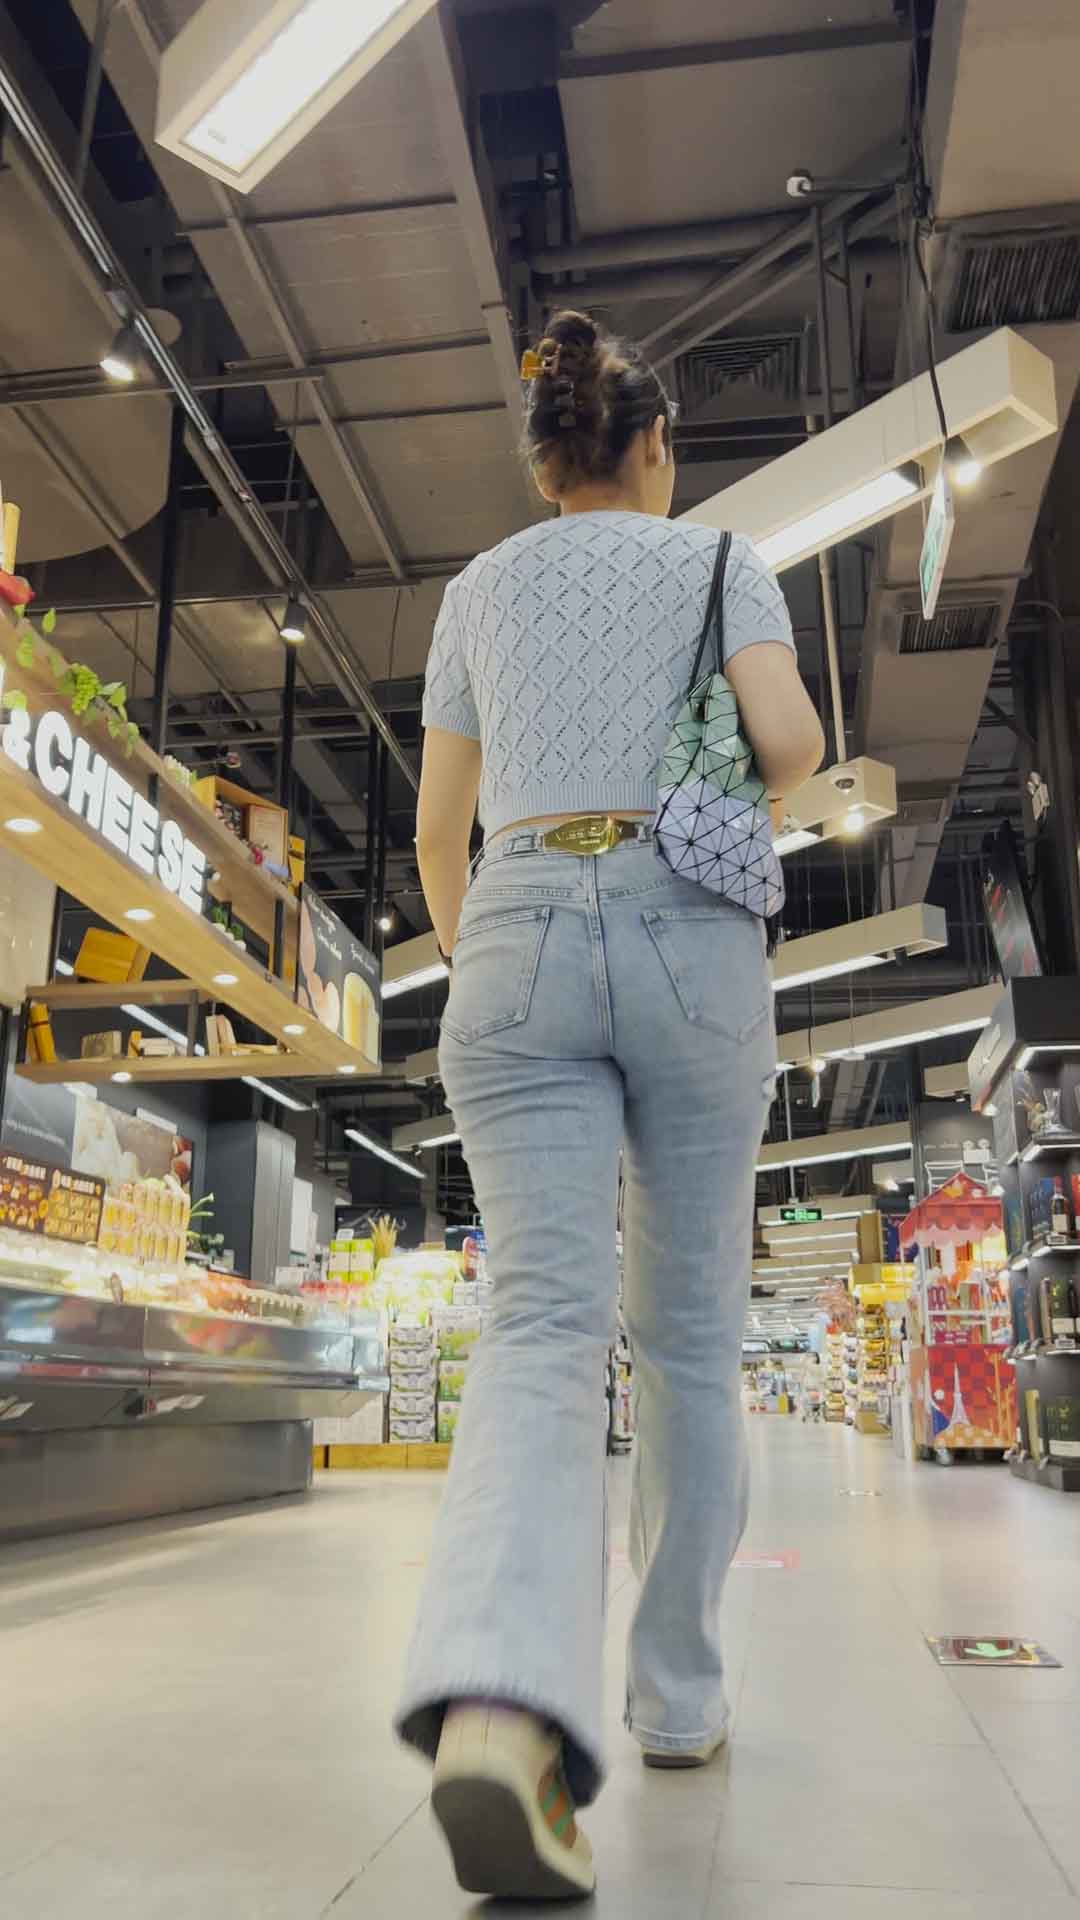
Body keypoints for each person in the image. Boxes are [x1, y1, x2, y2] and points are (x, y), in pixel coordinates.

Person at [394, 309, 824, 1900]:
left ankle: (500, 1714)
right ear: (653, 447)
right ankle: (679, 1701)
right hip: (691, 939)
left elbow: (439, 835)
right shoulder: (721, 561)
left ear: (543, 464)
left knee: (542, 1328)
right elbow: (786, 741)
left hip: (510, 928)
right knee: (692, 1337)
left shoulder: (475, 591)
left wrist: (497, 957)